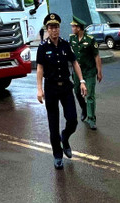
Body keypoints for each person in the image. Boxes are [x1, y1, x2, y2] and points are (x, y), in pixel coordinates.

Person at [36, 13, 87, 170]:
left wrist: (82, 81)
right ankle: (57, 155)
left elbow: (74, 62)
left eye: (56, 27)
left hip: (65, 87)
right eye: (51, 27)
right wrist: (39, 89)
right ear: (47, 29)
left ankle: (65, 138)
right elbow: (39, 68)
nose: (54, 30)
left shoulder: (65, 44)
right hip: (51, 88)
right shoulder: (43, 47)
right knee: (53, 124)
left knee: (72, 120)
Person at [69, 16, 102, 130]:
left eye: (74, 26)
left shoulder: (90, 39)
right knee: (77, 92)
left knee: (90, 94)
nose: (72, 28)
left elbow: (96, 56)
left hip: (89, 71)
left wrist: (99, 72)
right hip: (78, 72)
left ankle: (91, 118)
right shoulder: (72, 38)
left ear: (79, 28)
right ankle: (84, 108)